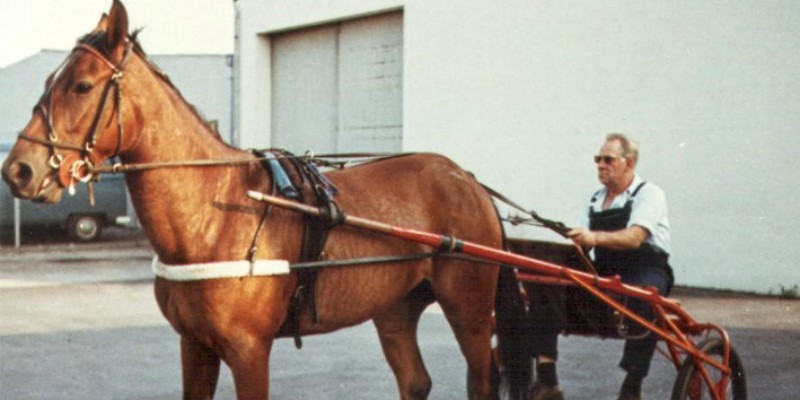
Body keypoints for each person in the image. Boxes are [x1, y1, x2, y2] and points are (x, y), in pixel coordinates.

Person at [529, 133, 673, 400]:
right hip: (604, 270)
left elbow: (635, 237)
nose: (600, 165)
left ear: (628, 163)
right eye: (598, 159)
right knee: (547, 280)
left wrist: (593, 237)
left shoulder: (649, 194)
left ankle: (632, 385)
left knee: (645, 295)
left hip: (645, 266)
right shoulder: (594, 199)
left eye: (608, 159)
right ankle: (547, 379)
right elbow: (584, 246)